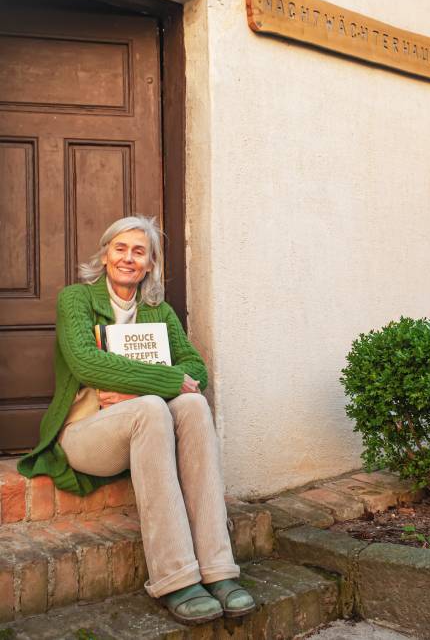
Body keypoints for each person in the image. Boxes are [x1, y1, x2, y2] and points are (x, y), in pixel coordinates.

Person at [18, 215, 255, 625]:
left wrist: (139, 389)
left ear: (150, 264)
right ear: (106, 255)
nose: (129, 258)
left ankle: (218, 569)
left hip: (145, 424)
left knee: (193, 406)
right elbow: (86, 362)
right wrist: (163, 383)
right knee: (153, 406)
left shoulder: (157, 310)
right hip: (88, 434)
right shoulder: (75, 299)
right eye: (120, 248)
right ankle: (176, 576)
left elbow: (195, 369)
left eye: (139, 251)